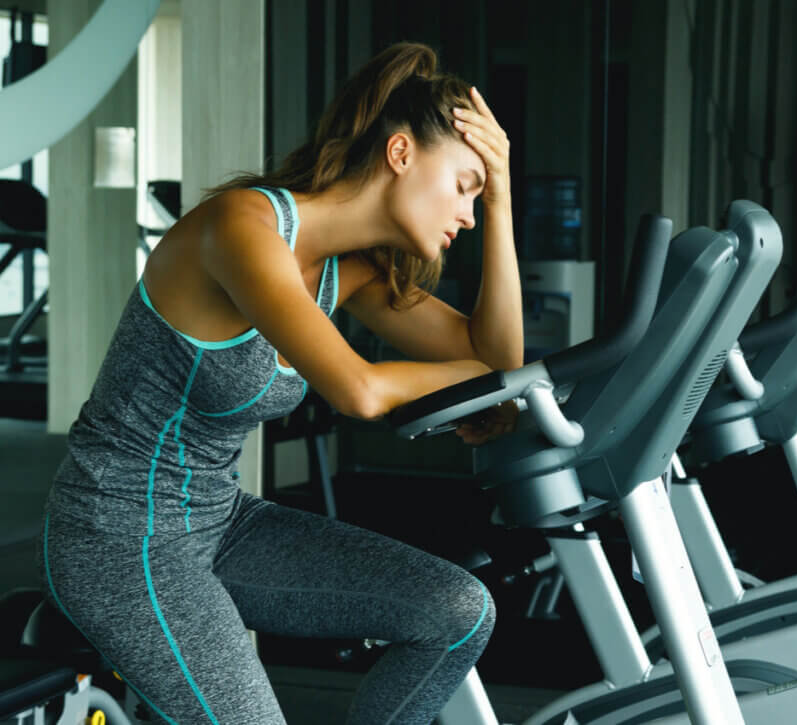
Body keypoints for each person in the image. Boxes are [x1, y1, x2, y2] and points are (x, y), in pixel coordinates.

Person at [36, 42, 522, 724]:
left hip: (221, 521)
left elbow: (497, 355)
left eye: (482, 194)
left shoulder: (342, 271)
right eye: (467, 185)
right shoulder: (244, 226)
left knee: (459, 611)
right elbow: (361, 390)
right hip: (117, 536)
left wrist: (501, 202)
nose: (469, 214)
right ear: (402, 153)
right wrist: (480, 374)